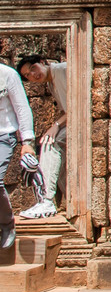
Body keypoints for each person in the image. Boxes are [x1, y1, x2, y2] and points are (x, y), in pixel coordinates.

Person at [16, 56, 66, 219]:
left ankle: (46, 200)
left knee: (50, 144)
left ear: (43, 62)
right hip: (70, 122)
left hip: (82, 122)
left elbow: (78, 104)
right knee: (53, 150)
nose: (32, 75)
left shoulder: (60, 70)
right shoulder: (52, 83)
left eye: (33, 68)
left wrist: (55, 126)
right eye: (27, 75)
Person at [0, 61, 36, 248]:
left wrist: (27, 142)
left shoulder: (8, 74)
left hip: (3, 136)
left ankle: (7, 224)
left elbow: (22, 108)